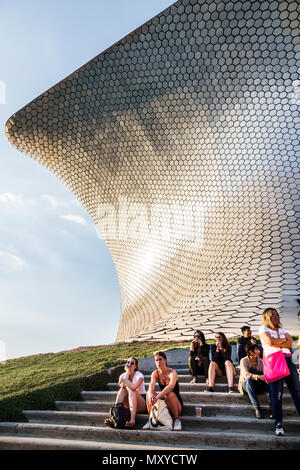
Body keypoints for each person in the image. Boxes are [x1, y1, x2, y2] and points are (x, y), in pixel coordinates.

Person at [259, 308, 300, 436]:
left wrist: (278, 342)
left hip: (288, 360)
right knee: (277, 394)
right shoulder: (263, 329)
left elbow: (291, 343)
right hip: (275, 362)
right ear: (267, 317)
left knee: (297, 391)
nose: (276, 316)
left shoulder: (282, 329)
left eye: (277, 314)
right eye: (273, 315)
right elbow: (270, 342)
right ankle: (279, 423)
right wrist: (283, 342)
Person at [144, 350, 183, 431]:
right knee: (148, 393)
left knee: (169, 393)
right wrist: (151, 393)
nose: (159, 362)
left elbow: (171, 386)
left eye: (160, 359)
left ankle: (177, 420)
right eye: (156, 360)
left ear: (165, 360)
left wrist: (157, 397)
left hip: (176, 404)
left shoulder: (172, 372)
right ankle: (151, 418)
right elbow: (151, 384)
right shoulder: (155, 373)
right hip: (165, 403)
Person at [104, 356, 147, 429]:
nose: (129, 364)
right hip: (129, 402)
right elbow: (122, 385)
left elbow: (133, 387)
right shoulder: (123, 376)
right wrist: (127, 373)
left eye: (132, 363)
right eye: (128, 362)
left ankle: (132, 421)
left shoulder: (139, 375)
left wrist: (125, 379)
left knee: (131, 390)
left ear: (135, 366)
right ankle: (115, 418)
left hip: (141, 403)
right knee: (122, 390)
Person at [238, 343, 269, 419]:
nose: (259, 351)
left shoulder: (261, 361)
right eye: (257, 350)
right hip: (246, 385)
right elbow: (246, 375)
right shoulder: (244, 360)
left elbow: (266, 373)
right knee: (248, 381)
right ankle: (257, 407)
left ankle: (272, 406)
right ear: (251, 352)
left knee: (269, 381)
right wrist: (258, 376)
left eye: (259, 349)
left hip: (258, 386)